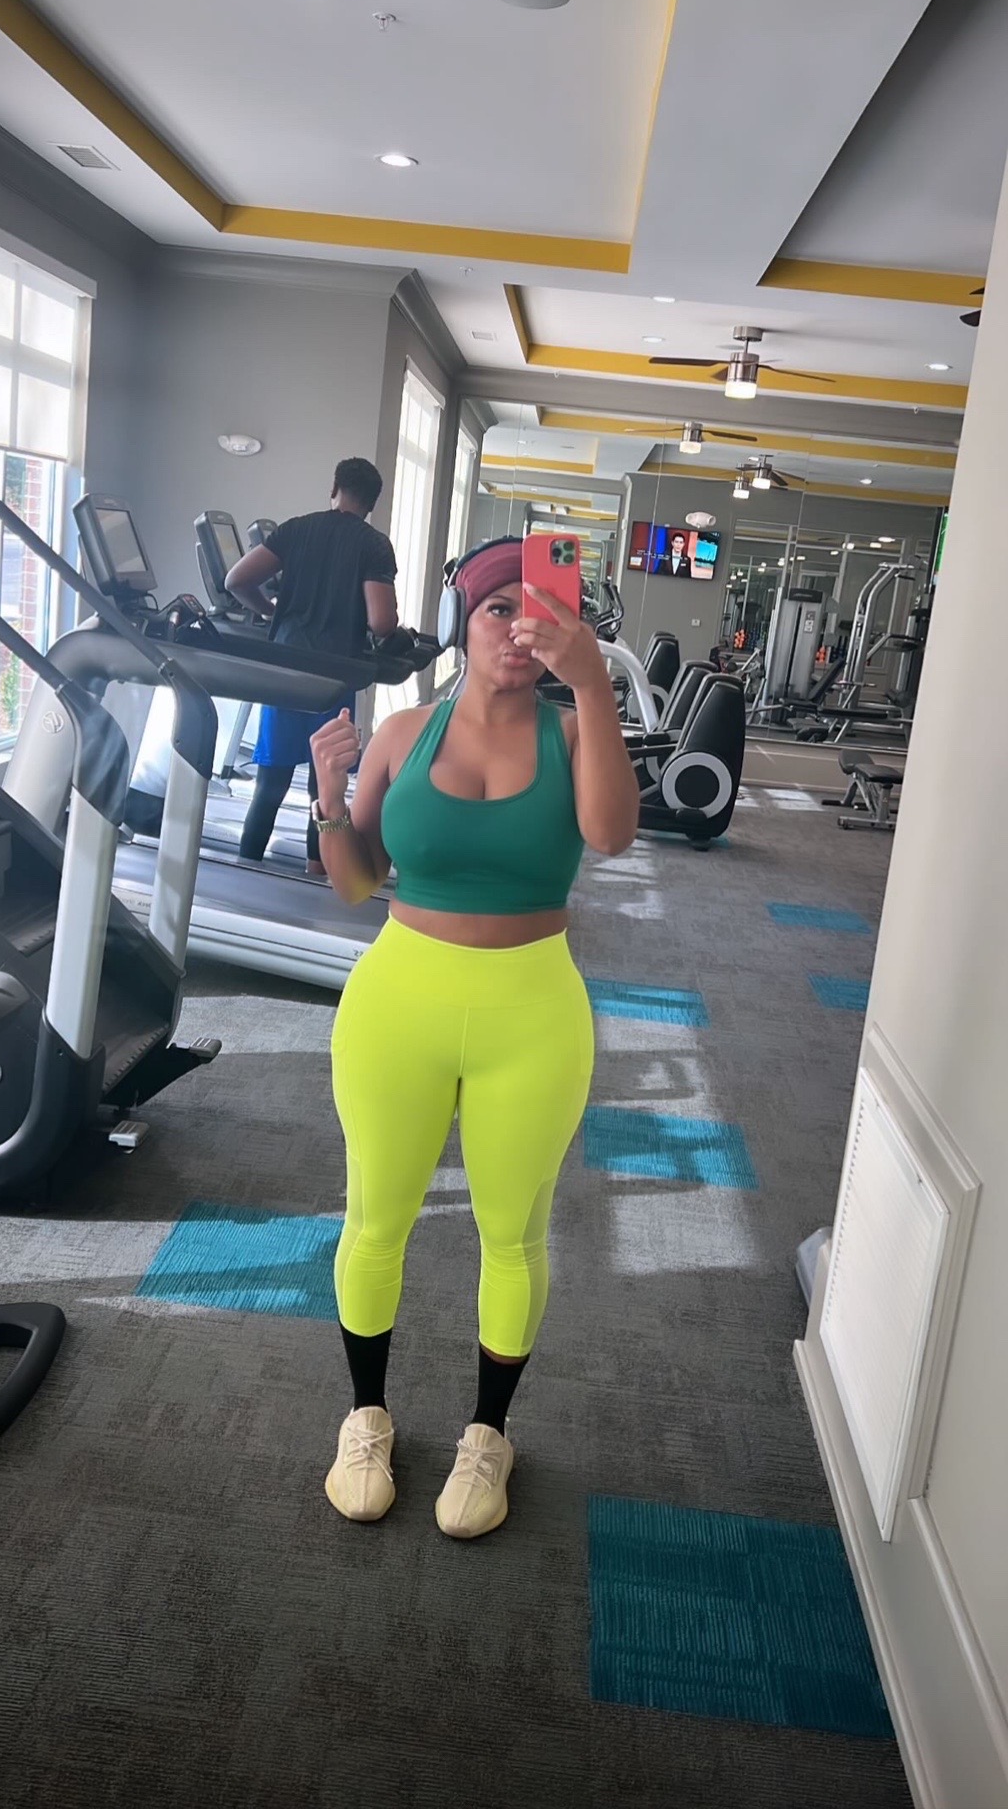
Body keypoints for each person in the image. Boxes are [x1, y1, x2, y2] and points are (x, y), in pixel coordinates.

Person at [309, 538, 640, 1539]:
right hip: (397, 1004)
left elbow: (612, 835)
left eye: (545, 615)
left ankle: (488, 1436)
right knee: (375, 1220)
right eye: (502, 610)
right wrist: (328, 794)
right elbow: (358, 882)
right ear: (467, 619)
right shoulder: (404, 733)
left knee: (514, 1234)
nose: (521, 632)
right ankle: (365, 1417)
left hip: (531, 1015)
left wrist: (594, 686)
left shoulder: (574, 732)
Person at [225, 457, 397, 873]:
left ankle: (244, 870)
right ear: (372, 503)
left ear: (334, 487)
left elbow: (236, 581)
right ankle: (315, 874)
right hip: (333, 680)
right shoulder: (374, 545)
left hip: (285, 673)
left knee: (270, 785)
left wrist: (270, 611)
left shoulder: (296, 528)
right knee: (323, 788)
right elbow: (381, 621)